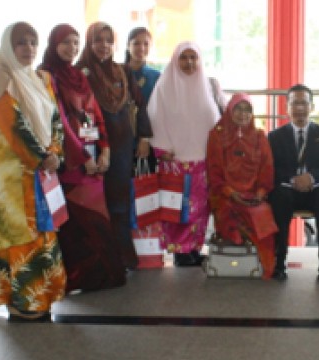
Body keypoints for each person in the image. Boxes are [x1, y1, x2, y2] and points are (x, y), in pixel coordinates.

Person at [0, 22, 65, 321]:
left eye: (33, 42)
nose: (28, 48)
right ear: (8, 46)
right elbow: (12, 126)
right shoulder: (1, 80)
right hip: (13, 180)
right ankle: (22, 302)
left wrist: (54, 152)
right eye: (21, 43)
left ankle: (41, 298)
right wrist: (42, 156)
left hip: (42, 174)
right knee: (20, 240)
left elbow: (55, 119)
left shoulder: (39, 80)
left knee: (44, 236)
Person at [39, 24, 127, 292]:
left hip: (93, 160)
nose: (72, 48)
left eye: (76, 43)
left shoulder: (78, 75)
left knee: (99, 220)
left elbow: (95, 113)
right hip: (71, 165)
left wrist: (105, 149)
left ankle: (102, 277)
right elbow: (60, 120)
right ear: (54, 44)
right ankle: (78, 278)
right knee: (78, 224)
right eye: (66, 43)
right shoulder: (46, 76)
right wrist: (81, 156)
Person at [76, 22, 153, 270]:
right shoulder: (79, 73)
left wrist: (143, 137)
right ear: (89, 42)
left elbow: (140, 105)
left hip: (121, 148)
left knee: (119, 203)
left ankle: (122, 257)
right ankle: (98, 260)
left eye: (109, 41)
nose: (104, 46)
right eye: (98, 40)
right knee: (93, 205)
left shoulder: (122, 72)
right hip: (90, 149)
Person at [147, 41, 221, 266]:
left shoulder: (206, 87)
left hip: (201, 160)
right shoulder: (164, 87)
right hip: (175, 160)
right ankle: (180, 252)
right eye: (184, 58)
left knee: (200, 208)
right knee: (179, 208)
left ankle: (195, 248)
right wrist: (163, 149)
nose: (189, 63)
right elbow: (155, 119)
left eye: (193, 58)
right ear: (175, 60)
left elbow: (214, 120)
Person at [268, 84, 319, 282]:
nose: (299, 108)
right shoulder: (275, 137)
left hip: (315, 189)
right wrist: (293, 179)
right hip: (288, 189)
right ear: (287, 107)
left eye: (304, 103)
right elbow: (272, 169)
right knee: (278, 198)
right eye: (295, 103)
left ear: (312, 107)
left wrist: (312, 177)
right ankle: (279, 262)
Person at [207, 93, 277, 279]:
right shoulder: (217, 135)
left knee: (262, 213)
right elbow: (213, 172)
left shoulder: (259, 136)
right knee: (227, 209)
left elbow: (267, 169)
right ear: (230, 110)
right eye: (238, 108)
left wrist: (261, 193)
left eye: (248, 110)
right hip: (225, 195)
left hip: (253, 196)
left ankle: (266, 266)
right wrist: (230, 192)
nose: (243, 114)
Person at [125, 27, 160, 162]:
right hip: (120, 138)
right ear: (128, 46)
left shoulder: (156, 77)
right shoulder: (117, 72)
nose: (141, 48)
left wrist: (145, 138)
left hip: (146, 139)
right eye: (136, 43)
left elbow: (157, 111)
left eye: (146, 44)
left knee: (143, 182)